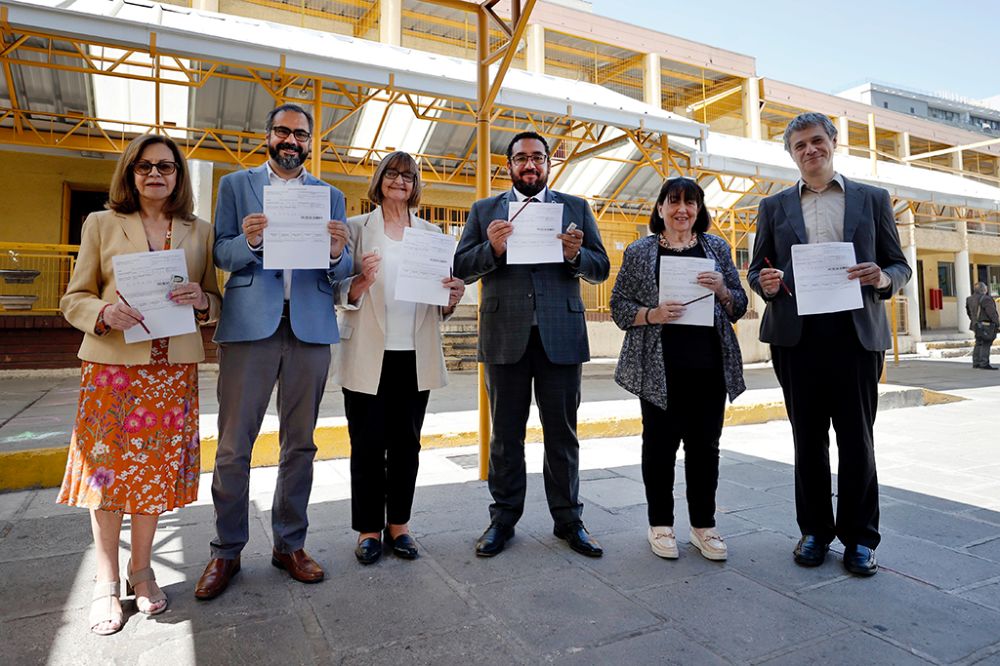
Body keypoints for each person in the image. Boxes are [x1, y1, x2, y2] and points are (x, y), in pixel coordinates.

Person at [58, 134, 221, 634]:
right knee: (106, 476)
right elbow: (74, 297)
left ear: (179, 176)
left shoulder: (199, 231)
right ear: (130, 172)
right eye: (145, 166)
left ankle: (142, 569)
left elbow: (214, 300)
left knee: (152, 473)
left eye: (166, 167)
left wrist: (202, 301)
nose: (155, 174)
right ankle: (106, 580)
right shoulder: (101, 223)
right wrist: (104, 312)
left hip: (170, 372)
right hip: (113, 369)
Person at [195, 103, 351, 600]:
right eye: (282, 131)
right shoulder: (235, 185)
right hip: (250, 326)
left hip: (310, 327)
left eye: (300, 134)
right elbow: (220, 253)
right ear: (268, 136)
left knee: (300, 444)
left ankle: (290, 544)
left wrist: (336, 253)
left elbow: (342, 268)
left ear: (310, 142)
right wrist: (251, 242)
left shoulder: (330, 196)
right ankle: (226, 550)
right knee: (233, 445)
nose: (291, 140)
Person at [747, 112, 911, 577]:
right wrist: (766, 283)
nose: (810, 150)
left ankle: (860, 538)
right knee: (807, 439)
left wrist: (882, 277)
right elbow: (757, 270)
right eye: (799, 145)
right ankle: (815, 531)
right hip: (796, 339)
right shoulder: (773, 206)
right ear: (791, 154)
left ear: (834, 141)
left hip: (855, 336)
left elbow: (899, 266)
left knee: (857, 440)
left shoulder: (872, 199)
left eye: (817, 140)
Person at [454, 131, 610, 558]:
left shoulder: (575, 208)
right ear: (509, 165)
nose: (530, 165)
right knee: (505, 436)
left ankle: (569, 520)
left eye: (538, 158)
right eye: (521, 158)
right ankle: (503, 519)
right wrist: (493, 248)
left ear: (548, 164)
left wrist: (575, 256)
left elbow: (600, 267)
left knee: (562, 434)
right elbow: (461, 267)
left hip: (561, 336)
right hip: (506, 335)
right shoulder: (484, 210)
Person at [332, 151, 466, 565]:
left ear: (415, 186)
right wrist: (360, 281)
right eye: (392, 173)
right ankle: (369, 530)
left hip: (414, 353)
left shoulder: (431, 234)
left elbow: (439, 304)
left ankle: (400, 526)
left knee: (407, 445)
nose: (400, 181)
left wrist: (451, 298)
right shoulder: (356, 229)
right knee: (366, 446)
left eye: (408, 176)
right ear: (379, 179)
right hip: (367, 352)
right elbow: (335, 289)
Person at [610, 177, 747, 561]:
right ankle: (660, 524)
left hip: (709, 366)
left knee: (706, 448)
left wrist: (722, 290)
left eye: (690, 202)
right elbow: (618, 306)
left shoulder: (717, 247)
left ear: (699, 210)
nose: (682, 209)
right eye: (674, 201)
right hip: (659, 367)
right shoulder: (640, 251)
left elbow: (738, 305)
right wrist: (652, 314)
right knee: (659, 447)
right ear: (660, 208)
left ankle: (704, 526)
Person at [965, 282, 998, 370]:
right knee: (986, 342)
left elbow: (968, 312)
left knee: (978, 342)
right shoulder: (986, 299)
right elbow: (991, 313)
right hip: (986, 324)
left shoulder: (969, 299)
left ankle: (976, 363)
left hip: (975, 324)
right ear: (984, 289)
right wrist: (997, 323)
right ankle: (984, 363)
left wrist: (974, 320)